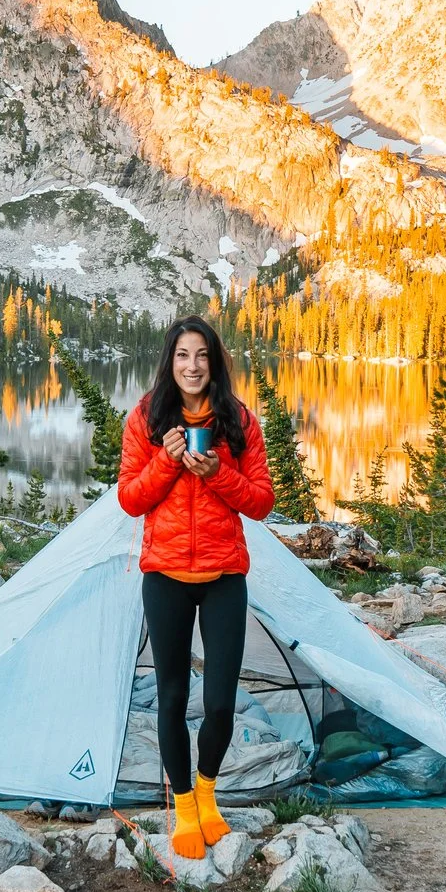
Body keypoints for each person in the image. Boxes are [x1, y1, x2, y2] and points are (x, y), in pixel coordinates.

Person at [116, 316, 276, 859]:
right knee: (172, 697)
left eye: (202, 355)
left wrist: (214, 473)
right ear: (170, 360)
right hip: (164, 577)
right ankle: (184, 807)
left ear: (215, 362)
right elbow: (131, 499)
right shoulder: (145, 417)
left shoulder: (238, 420)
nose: (192, 366)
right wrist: (167, 459)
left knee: (221, 702)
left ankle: (208, 795)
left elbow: (260, 501)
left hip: (224, 575)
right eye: (183, 355)